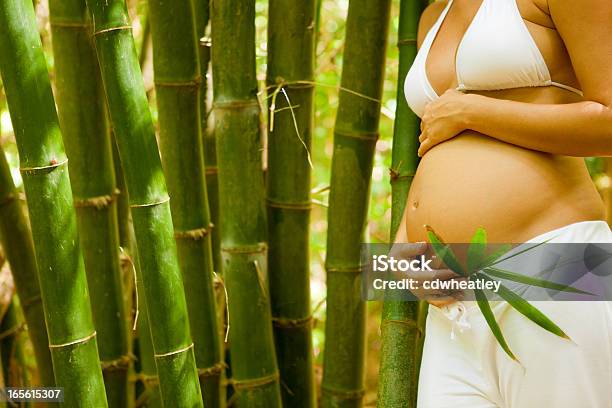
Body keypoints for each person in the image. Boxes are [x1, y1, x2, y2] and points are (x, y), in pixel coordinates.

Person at [396, 0, 612, 406]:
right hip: (455, 301)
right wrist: (400, 253)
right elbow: (434, 141)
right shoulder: (432, 14)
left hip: (554, 267)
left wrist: (474, 110)